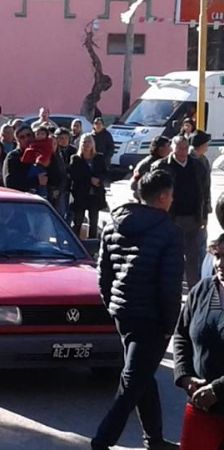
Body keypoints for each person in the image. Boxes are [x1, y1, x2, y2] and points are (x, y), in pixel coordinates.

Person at [92, 169, 184, 450]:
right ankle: (101, 441)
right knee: (133, 382)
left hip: (123, 312)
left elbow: (103, 274)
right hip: (152, 317)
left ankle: (154, 439)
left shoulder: (114, 223)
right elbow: (170, 285)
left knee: (142, 376)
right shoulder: (169, 230)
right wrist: (171, 325)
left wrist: (113, 305)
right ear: (164, 196)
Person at [173, 234, 224, 450]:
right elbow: (182, 335)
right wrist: (185, 377)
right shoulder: (202, 291)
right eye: (218, 255)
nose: (221, 263)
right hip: (202, 407)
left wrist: (218, 389)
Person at [153, 135, 205, 289]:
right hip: (170, 218)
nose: (182, 151)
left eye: (185, 148)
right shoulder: (161, 166)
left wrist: (204, 214)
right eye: (179, 148)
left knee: (192, 257)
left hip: (192, 217)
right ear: (172, 148)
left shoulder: (197, 165)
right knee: (171, 256)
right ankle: (170, 288)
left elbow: (205, 190)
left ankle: (194, 290)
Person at [69, 133, 107, 239]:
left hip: (95, 195)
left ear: (93, 144)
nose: (86, 144)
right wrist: (90, 180)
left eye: (89, 141)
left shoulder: (99, 157)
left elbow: (104, 173)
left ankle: (92, 244)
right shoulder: (75, 159)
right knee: (78, 221)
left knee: (93, 222)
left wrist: (99, 180)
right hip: (80, 194)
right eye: (84, 142)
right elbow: (75, 175)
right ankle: (75, 242)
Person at [2, 125, 36, 192]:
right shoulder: (13, 157)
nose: (27, 139)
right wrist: (36, 180)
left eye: (29, 135)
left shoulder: (40, 153)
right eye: (22, 137)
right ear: (17, 140)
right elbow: (10, 183)